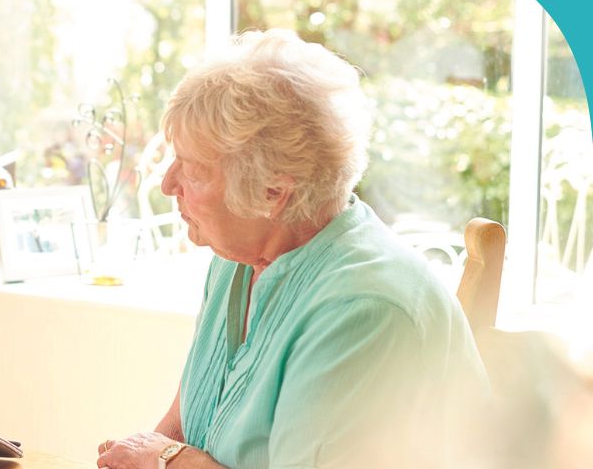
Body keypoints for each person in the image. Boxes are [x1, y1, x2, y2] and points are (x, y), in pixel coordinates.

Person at [95, 29, 489, 469]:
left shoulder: (365, 311)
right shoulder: (239, 261)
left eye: (194, 170)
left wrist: (170, 462)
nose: (169, 184)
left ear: (271, 192)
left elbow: (170, 454)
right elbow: (184, 424)